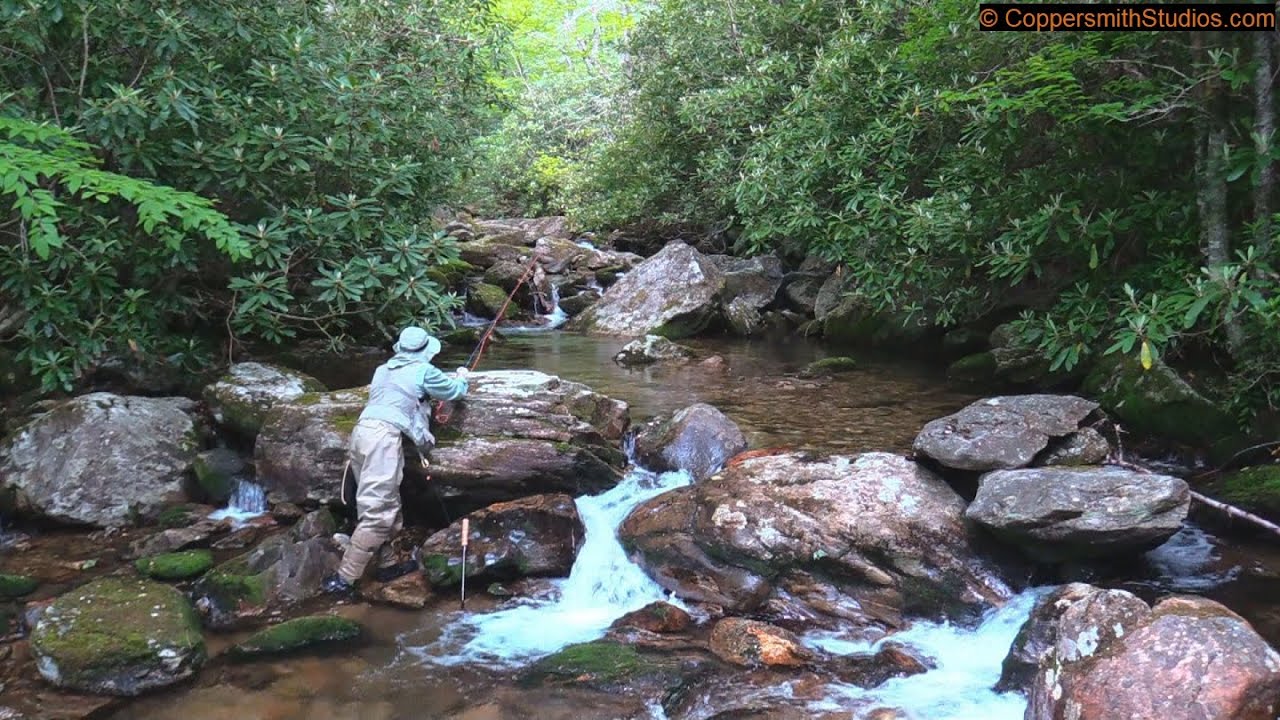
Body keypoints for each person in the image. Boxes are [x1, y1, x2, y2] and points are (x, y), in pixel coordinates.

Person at [322, 326, 469, 595]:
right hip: (383, 439)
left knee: (385, 503)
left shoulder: (382, 370)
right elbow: (455, 392)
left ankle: (387, 565)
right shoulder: (425, 371)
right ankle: (344, 579)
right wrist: (462, 377)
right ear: (426, 350)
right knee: (378, 513)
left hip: (361, 433)